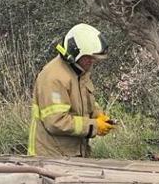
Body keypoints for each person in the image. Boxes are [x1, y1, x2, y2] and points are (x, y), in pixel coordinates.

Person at [27, 24, 116, 158]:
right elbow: (56, 122)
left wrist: (98, 115)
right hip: (50, 158)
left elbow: (85, 101)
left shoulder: (79, 72)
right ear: (74, 52)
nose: (91, 62)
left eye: (93, 58)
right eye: (88, 58)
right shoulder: (54, 78)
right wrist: (94, 126)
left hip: (72, 155)